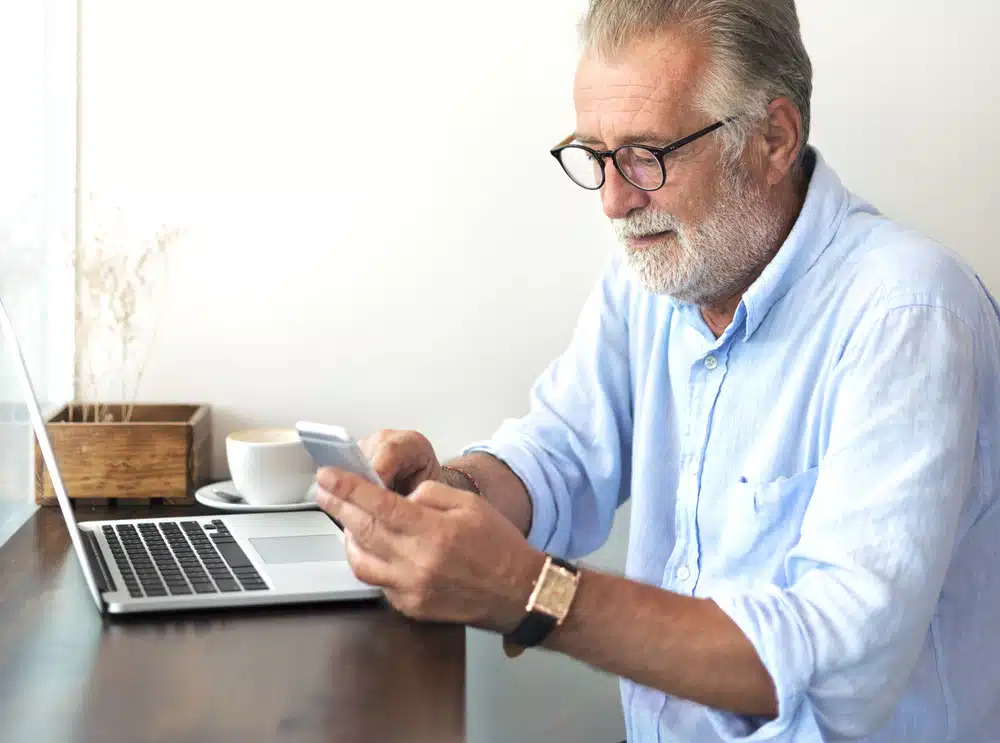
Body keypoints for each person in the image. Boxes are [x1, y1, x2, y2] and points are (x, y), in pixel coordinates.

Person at [313, 1, 1000, 740]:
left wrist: (527, 592)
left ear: (773, 137)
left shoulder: (910, 314)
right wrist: (454, 490)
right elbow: (564, 451)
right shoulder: (659, 271)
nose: (614, 200)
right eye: (595, 155)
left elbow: (836, 661)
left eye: (647, 154)